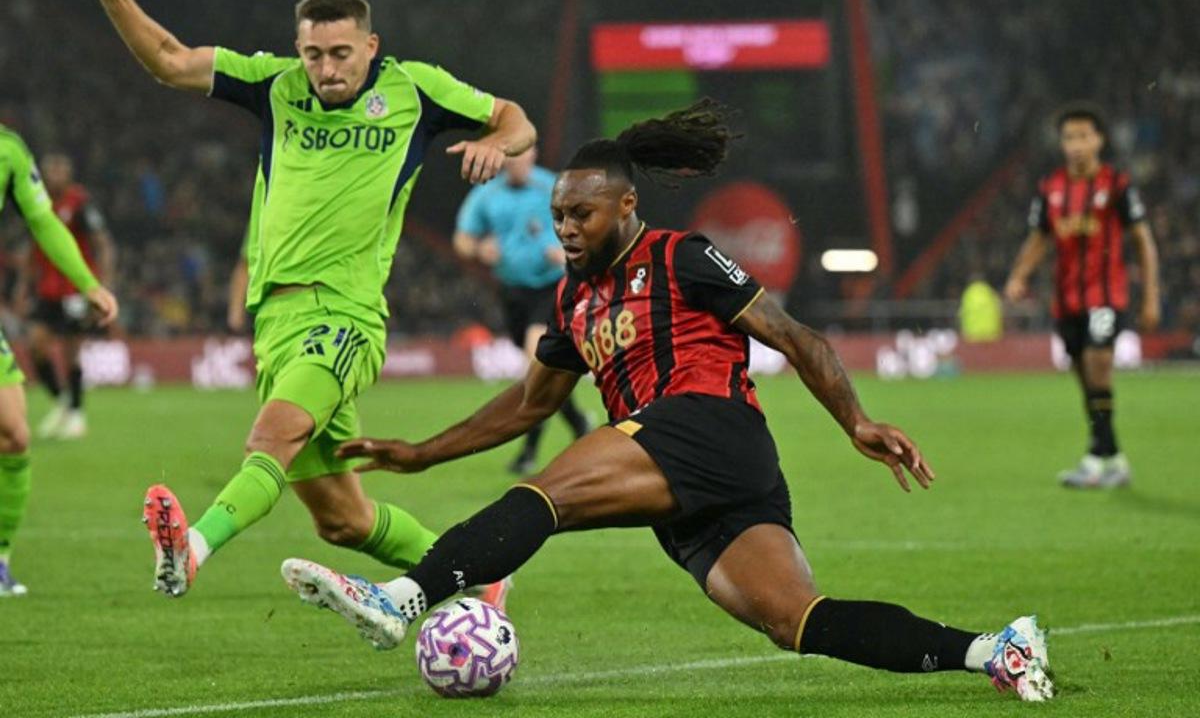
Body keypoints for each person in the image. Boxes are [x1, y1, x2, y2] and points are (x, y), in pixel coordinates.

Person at [282, 101, 1055, 702]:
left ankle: (402, 597)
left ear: (623, 207)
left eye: (579, 215)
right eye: (557, 218)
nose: (566, 230)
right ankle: (997, 649)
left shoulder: (681, 257)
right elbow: (525, 405)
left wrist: (857, 420)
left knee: (547, 493)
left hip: (708, 428)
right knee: (798, 621)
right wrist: (421, 452)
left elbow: (796, 337)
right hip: (691, 484)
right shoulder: (572, 300)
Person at [70, 0, 536, 600]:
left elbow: (516, 120)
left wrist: (497, 141)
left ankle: (191, 548)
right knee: (343, 521)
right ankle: (481, 577)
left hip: (344, 316)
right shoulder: (275, 85)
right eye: (313, 54)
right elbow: (170, 62)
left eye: (341, 53)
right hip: (277, 320)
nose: (326, 68)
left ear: (371, 47)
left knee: (272, 434)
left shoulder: (415, 91)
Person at [1004, 103, 1160, 489]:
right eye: (1069, 137)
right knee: (1086, 379)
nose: (1075, 144)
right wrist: (1018, 276)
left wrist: (1151, 296)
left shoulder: (1117, 185)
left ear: (1099, 140)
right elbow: (1039, 238)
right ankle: (1113, 458)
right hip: (1066, 298)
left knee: (1098, 363)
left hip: (1106, 294)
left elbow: (1143, 239)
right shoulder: (1051, 188)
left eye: (1083, 136)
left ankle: (1095, 457)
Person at [0, 126, 119, 595]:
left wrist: (89, 282)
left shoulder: (8, 150)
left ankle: (0, 559)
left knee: (13, 434)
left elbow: (44, 222)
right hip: (46, 296)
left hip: (62, 294)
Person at [454, 146, 591, 473]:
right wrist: (478, 248)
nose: (519, 164)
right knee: (539, 370)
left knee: (534, 367)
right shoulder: (486, 195)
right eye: (513, 158)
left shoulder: (553, 187)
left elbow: (589, 228)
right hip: (512, 293)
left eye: (525, 157)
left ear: (533, 157)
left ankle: (528, 453)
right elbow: (462, 239)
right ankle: (578, 422)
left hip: (550, 287)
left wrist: (569, 251)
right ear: (503, 160)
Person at [15, 152, 116, 440]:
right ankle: (62, 400)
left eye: (61, 169)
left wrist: (102, 285)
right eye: (51, 169)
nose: (55, 174)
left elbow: (103, 243)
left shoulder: (80, 204)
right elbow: (33, 248)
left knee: (72, 352)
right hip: (47, 289)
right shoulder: (36, 201)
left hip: (75, 289)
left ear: (69, 173)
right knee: (36, 345)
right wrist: (23, 286)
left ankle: (76, 413)